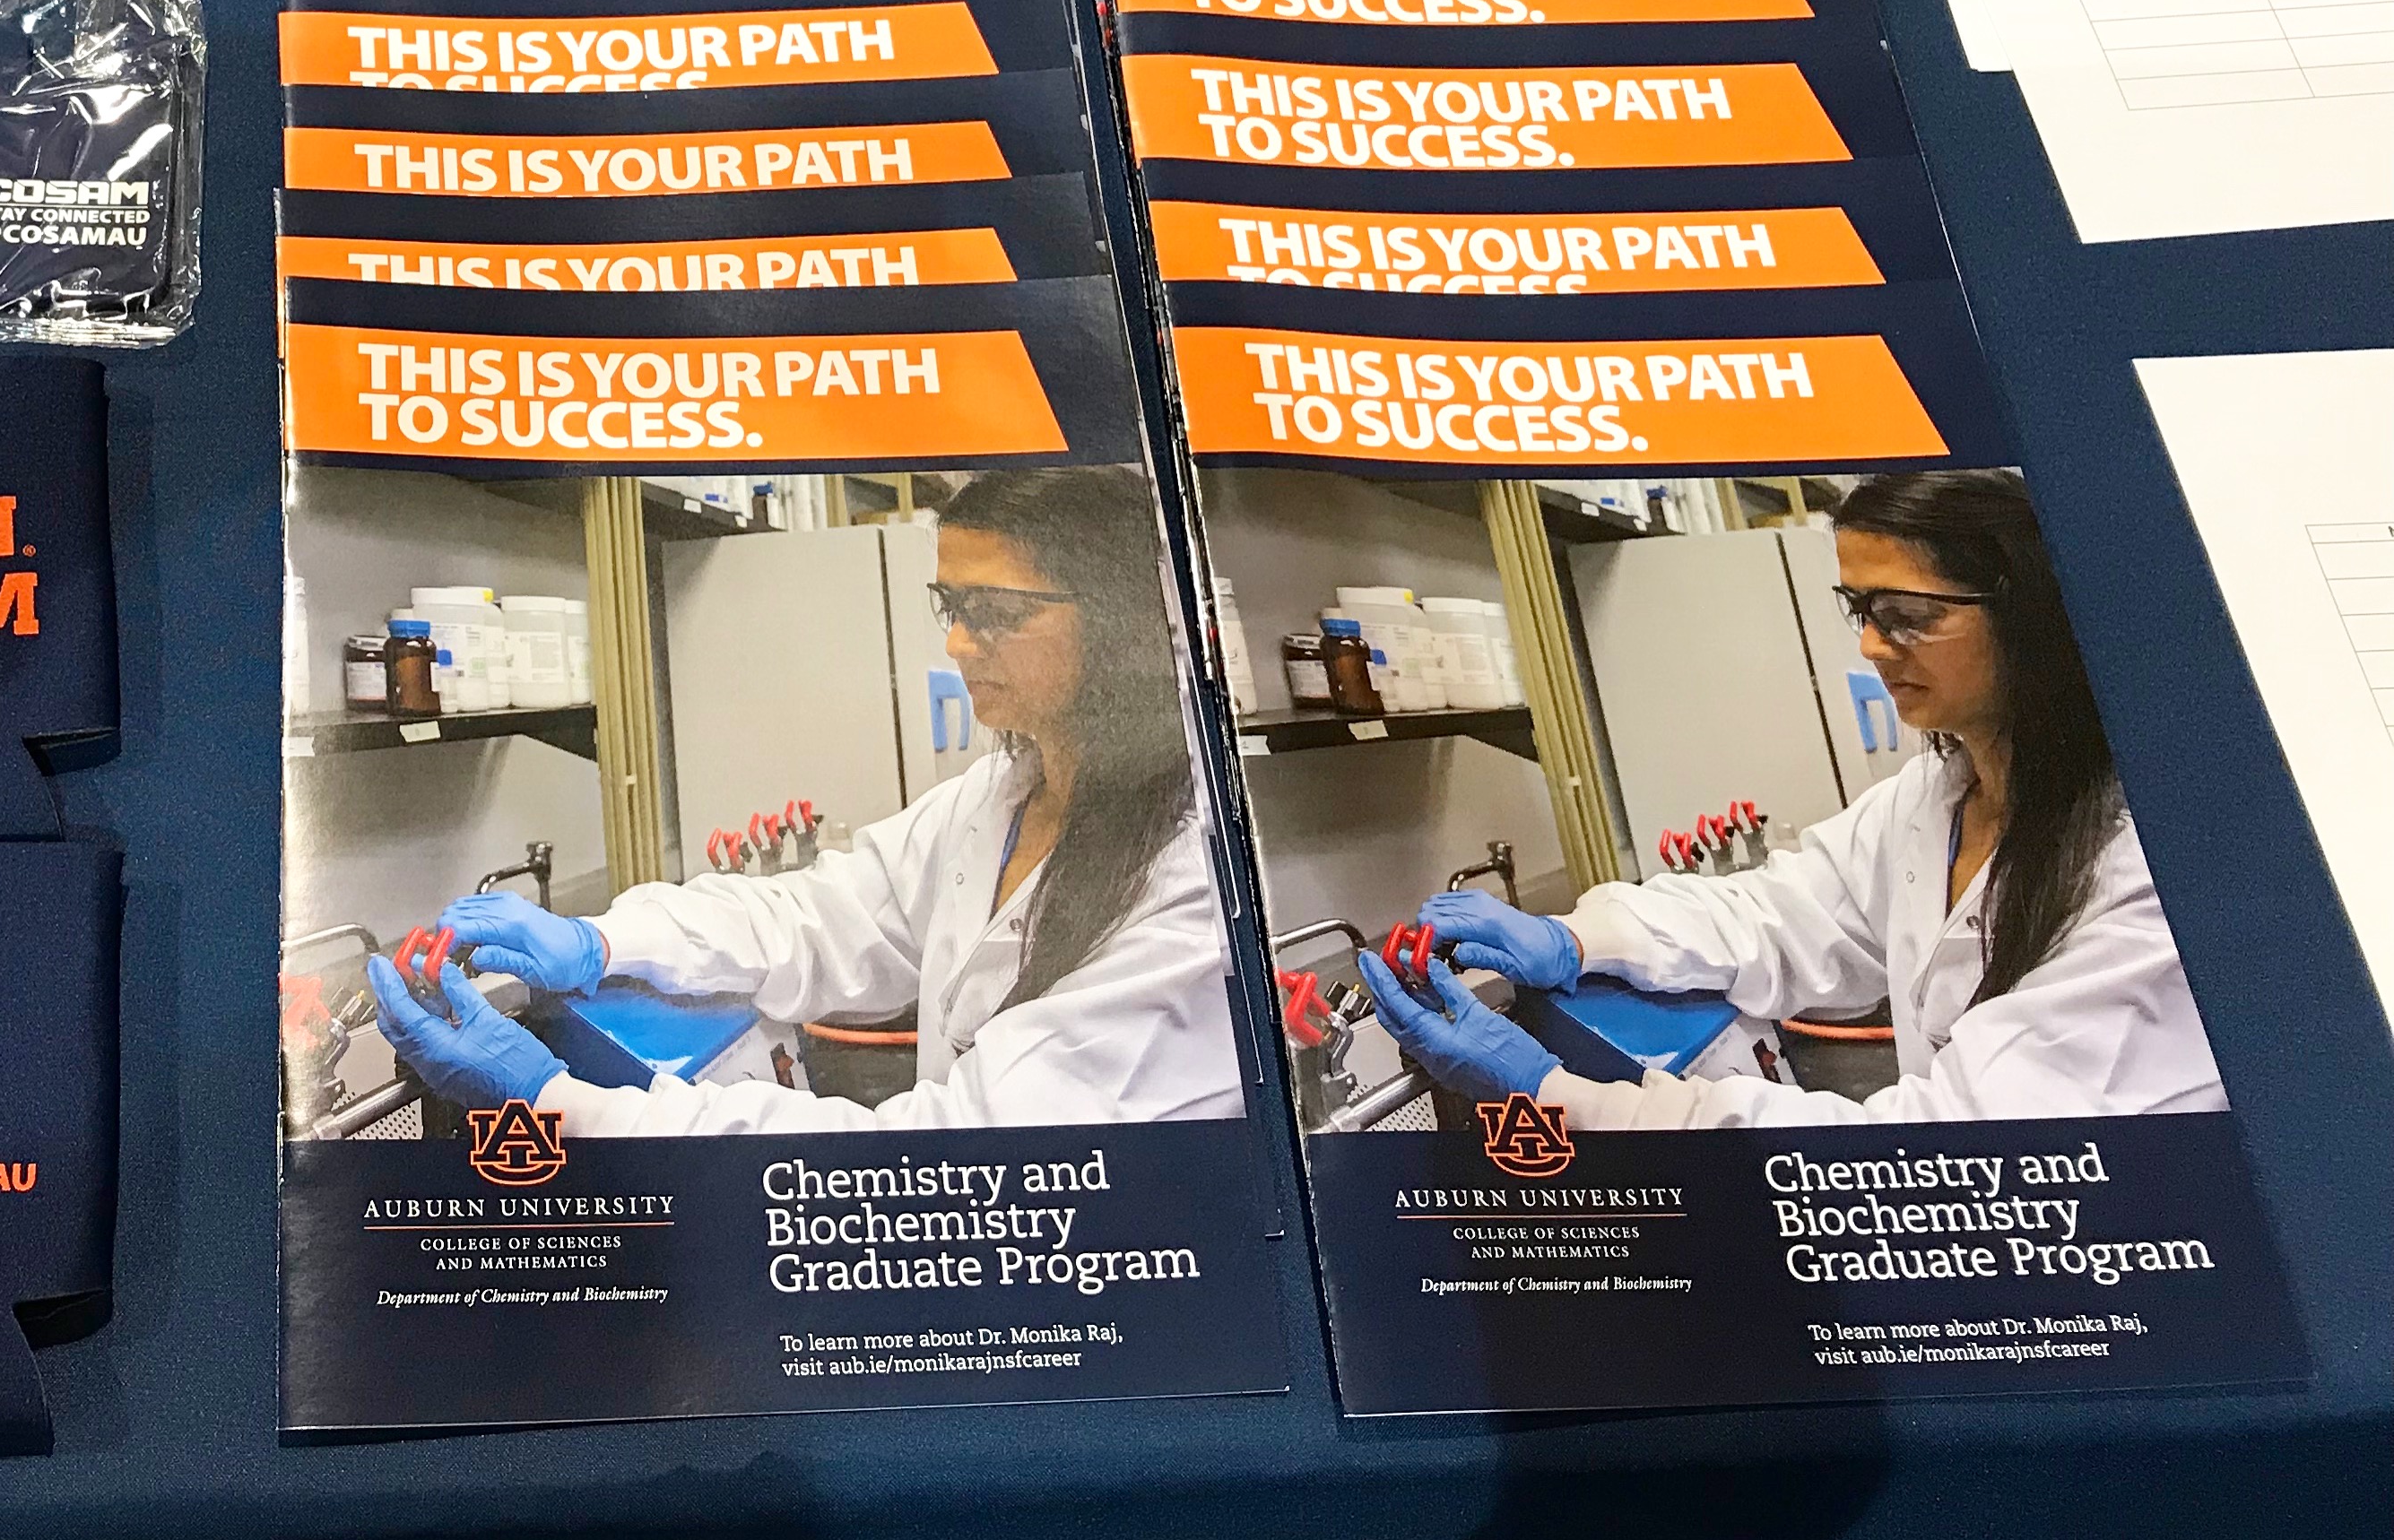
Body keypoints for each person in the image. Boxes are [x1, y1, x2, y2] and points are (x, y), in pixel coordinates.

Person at [364, 467, 1242, 1135]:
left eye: (997, 611)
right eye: (951, 604)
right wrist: (603, 941)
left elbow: (956, 1158)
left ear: (1123, 619)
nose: (959, 643)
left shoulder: (1188, 881)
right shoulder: (999, 797)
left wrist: (557, 1100)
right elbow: (821, 914)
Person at [1362, 469, 2225, 1129]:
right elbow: (1780, 910)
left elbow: (1954, 1149)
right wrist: (1579, 937)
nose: (1871, 646)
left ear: (2034, 615)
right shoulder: (1934, 799)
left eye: (1906, 613)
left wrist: (1560, 1094)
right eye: (1859, 608)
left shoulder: (2145, 870)